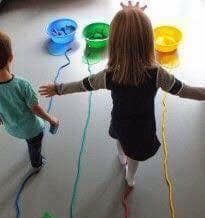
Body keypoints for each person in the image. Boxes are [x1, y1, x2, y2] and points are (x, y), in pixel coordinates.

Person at [39, 1, 205, 186]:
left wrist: (58, 89)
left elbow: (82, 85)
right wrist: (136, 20)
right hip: (143, 129)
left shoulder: (110, 75)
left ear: (115, 42)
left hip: (120, 121)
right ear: (148, 40)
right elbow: (185, 91)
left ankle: (120, 157)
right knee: (134, 158)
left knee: (119, 140)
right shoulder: (158, 75)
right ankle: (130, 178)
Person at [0, 31, 59, 170]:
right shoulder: (22, 85)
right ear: (11, 57)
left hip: (12, 129)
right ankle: (37, 164)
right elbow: (35, 108)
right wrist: (51, 120)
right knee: (35, 147)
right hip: (33, 130)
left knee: (30, 141)